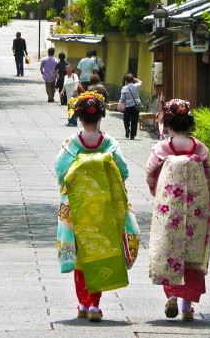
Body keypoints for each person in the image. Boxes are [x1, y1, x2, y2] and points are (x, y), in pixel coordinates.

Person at [54, 92, 140, 323]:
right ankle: (94, 305)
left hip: (77, 206)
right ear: (101, 116)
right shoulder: (109, 142)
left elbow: (59, 171)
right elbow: (123, 171)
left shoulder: (72, 143)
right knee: (98, 250)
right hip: (103, 207)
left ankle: (82, 303)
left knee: (82, 254)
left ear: (79, 118)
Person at [145, 99, 210, 322]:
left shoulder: (162, 148)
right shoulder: (200, 148)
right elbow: (209, 173)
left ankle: (172, 296)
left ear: (167, 124)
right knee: (192, 251)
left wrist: (158, 192)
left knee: (170, 247)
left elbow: (150, 172)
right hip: (197, 207)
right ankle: (187, 305)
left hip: (170, 206)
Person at [119, 73, 142, 140]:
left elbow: (122, 99)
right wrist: (135, 79)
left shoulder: (124, 88)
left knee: (126, 119)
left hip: (127, 106)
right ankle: (132, 135)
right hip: (135, 106)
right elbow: (140, 82)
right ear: (132, 80)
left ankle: (127, 128)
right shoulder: (136, 86)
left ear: (126, 80)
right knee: (134, 121)